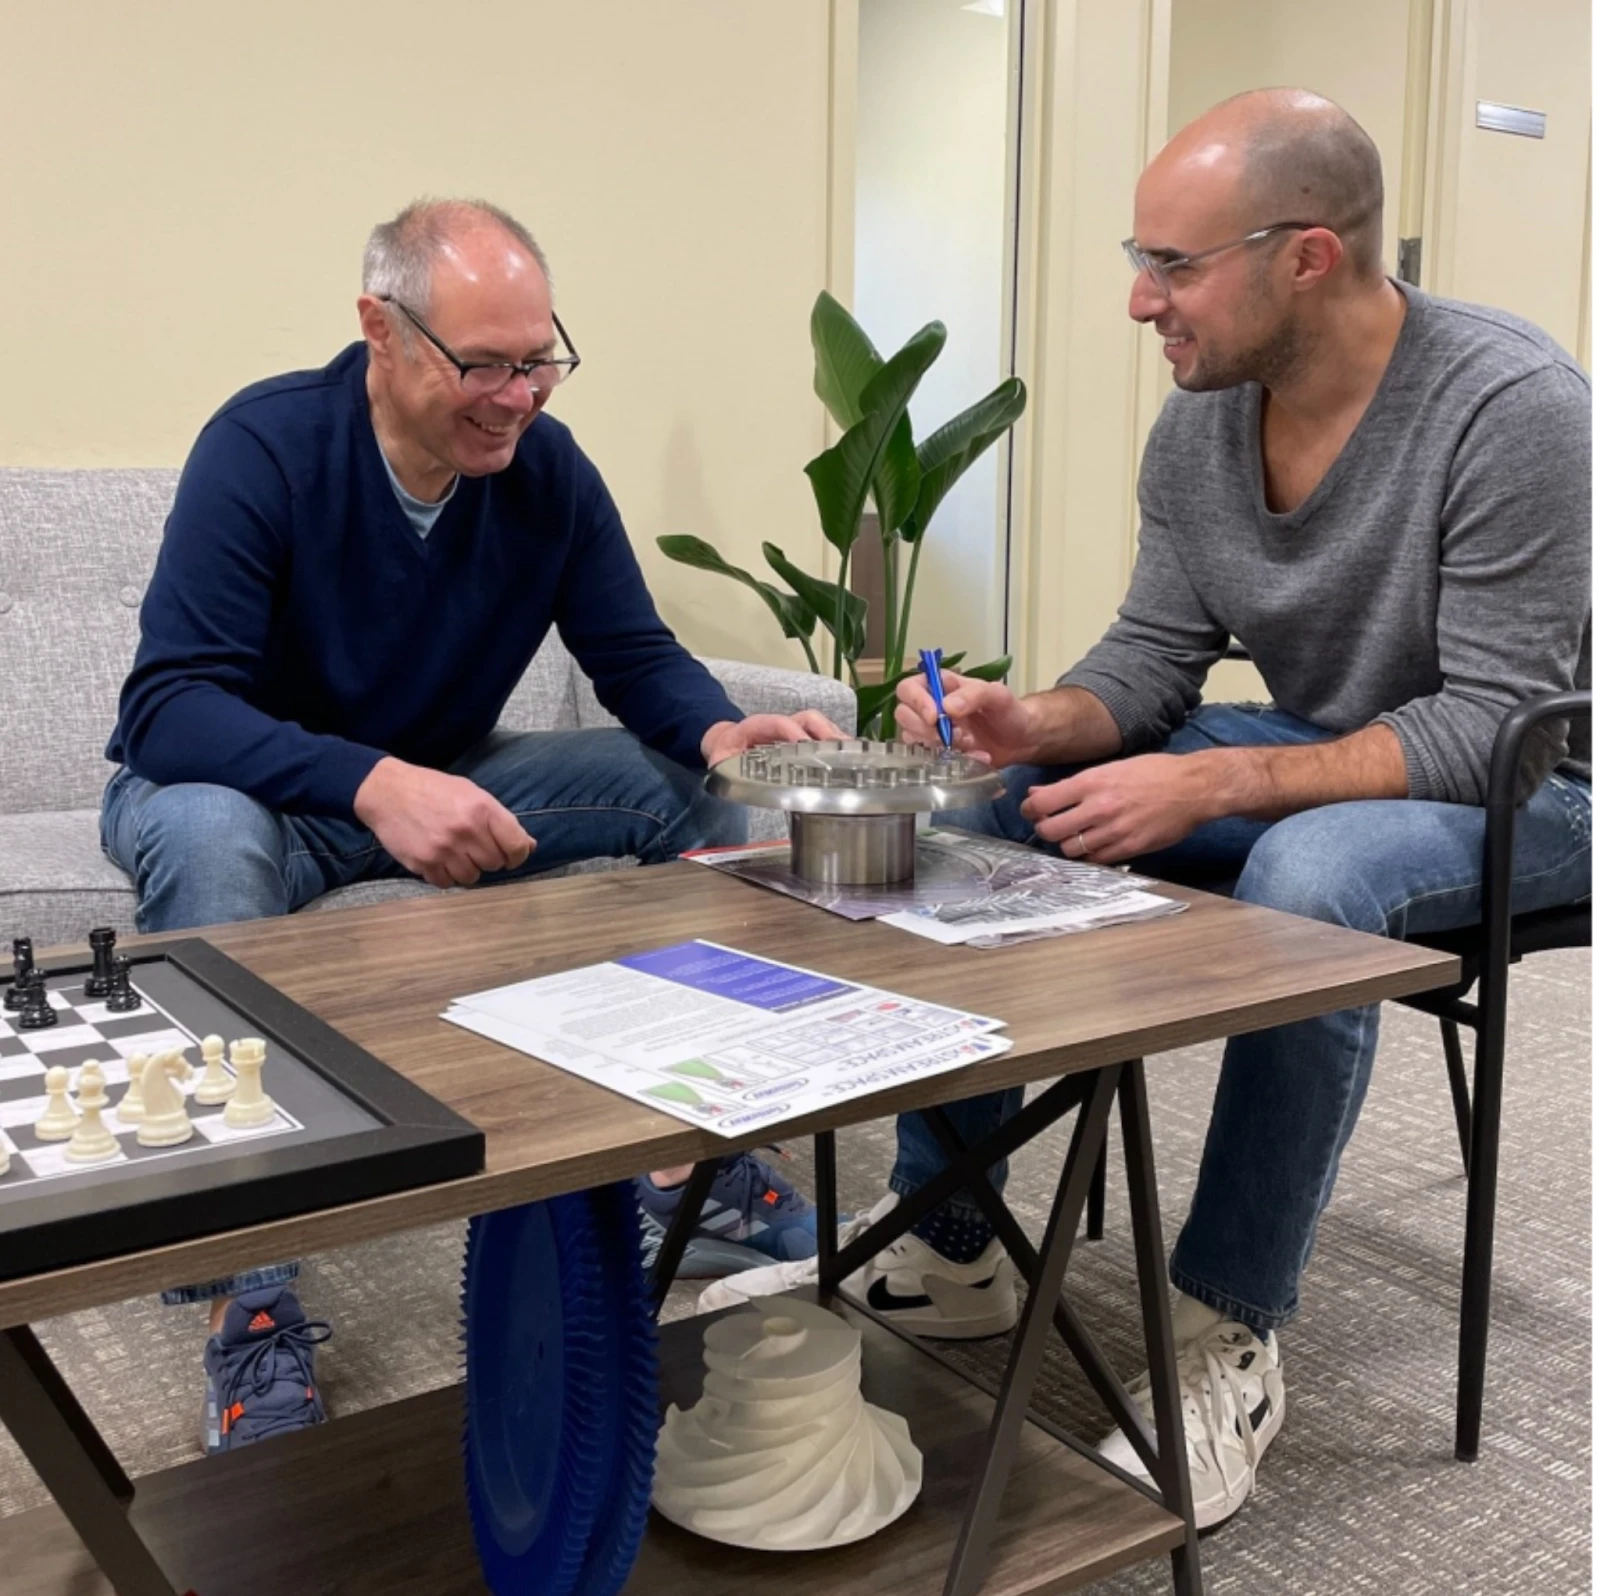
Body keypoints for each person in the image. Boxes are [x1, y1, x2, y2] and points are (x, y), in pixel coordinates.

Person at [718, 89, 1593, 1531]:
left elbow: (1492, 721)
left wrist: (1223, 777)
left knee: (1310, 877)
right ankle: (952, 1238)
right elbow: (1146, 667)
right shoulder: (1201, 429)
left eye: (1172, 266)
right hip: (1315, 744)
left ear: (1306, 257)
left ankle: (1225, 1329)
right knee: (996, 807)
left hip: (1532, 788)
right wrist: (1036, 722)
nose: (1140, 301)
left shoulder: (1515, 407)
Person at [102, 198, 833, 1451]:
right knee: (215, 844)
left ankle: (683, 1173)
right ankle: (248, 1293)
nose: (517, 396)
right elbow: (170, 705)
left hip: (443, 771)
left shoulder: (543, 471)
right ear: (380, 331)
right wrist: (375, 781)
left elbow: (631, 650)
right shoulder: (266, 446)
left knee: (703, 793)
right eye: (483, 365)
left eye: (538, 359)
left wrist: (719, 733)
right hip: (240, 793)